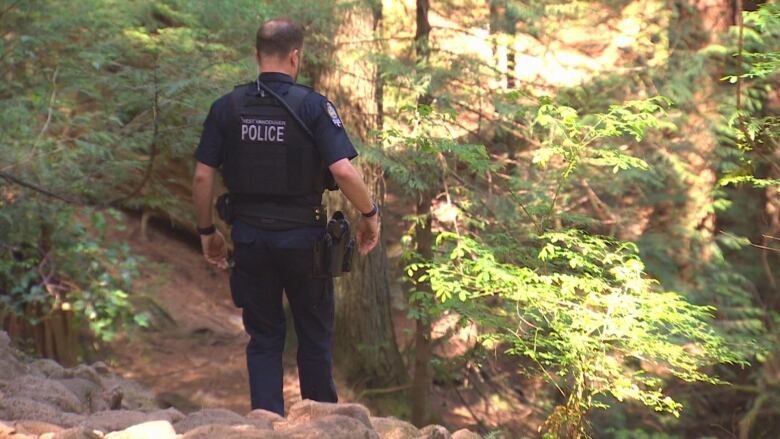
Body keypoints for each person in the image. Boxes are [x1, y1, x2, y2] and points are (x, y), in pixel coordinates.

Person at [191, 18, 380, 417]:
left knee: (263, 340)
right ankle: (324, 427)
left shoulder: (227, 108)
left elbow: (203, 174)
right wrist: (370, 213)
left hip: (250, 241)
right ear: (296, 57)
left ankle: (264, 424)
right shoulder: (313, 106)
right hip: (305, 245)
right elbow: (344, 171)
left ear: (258, 56)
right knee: (313, 339)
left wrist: (207, 231)